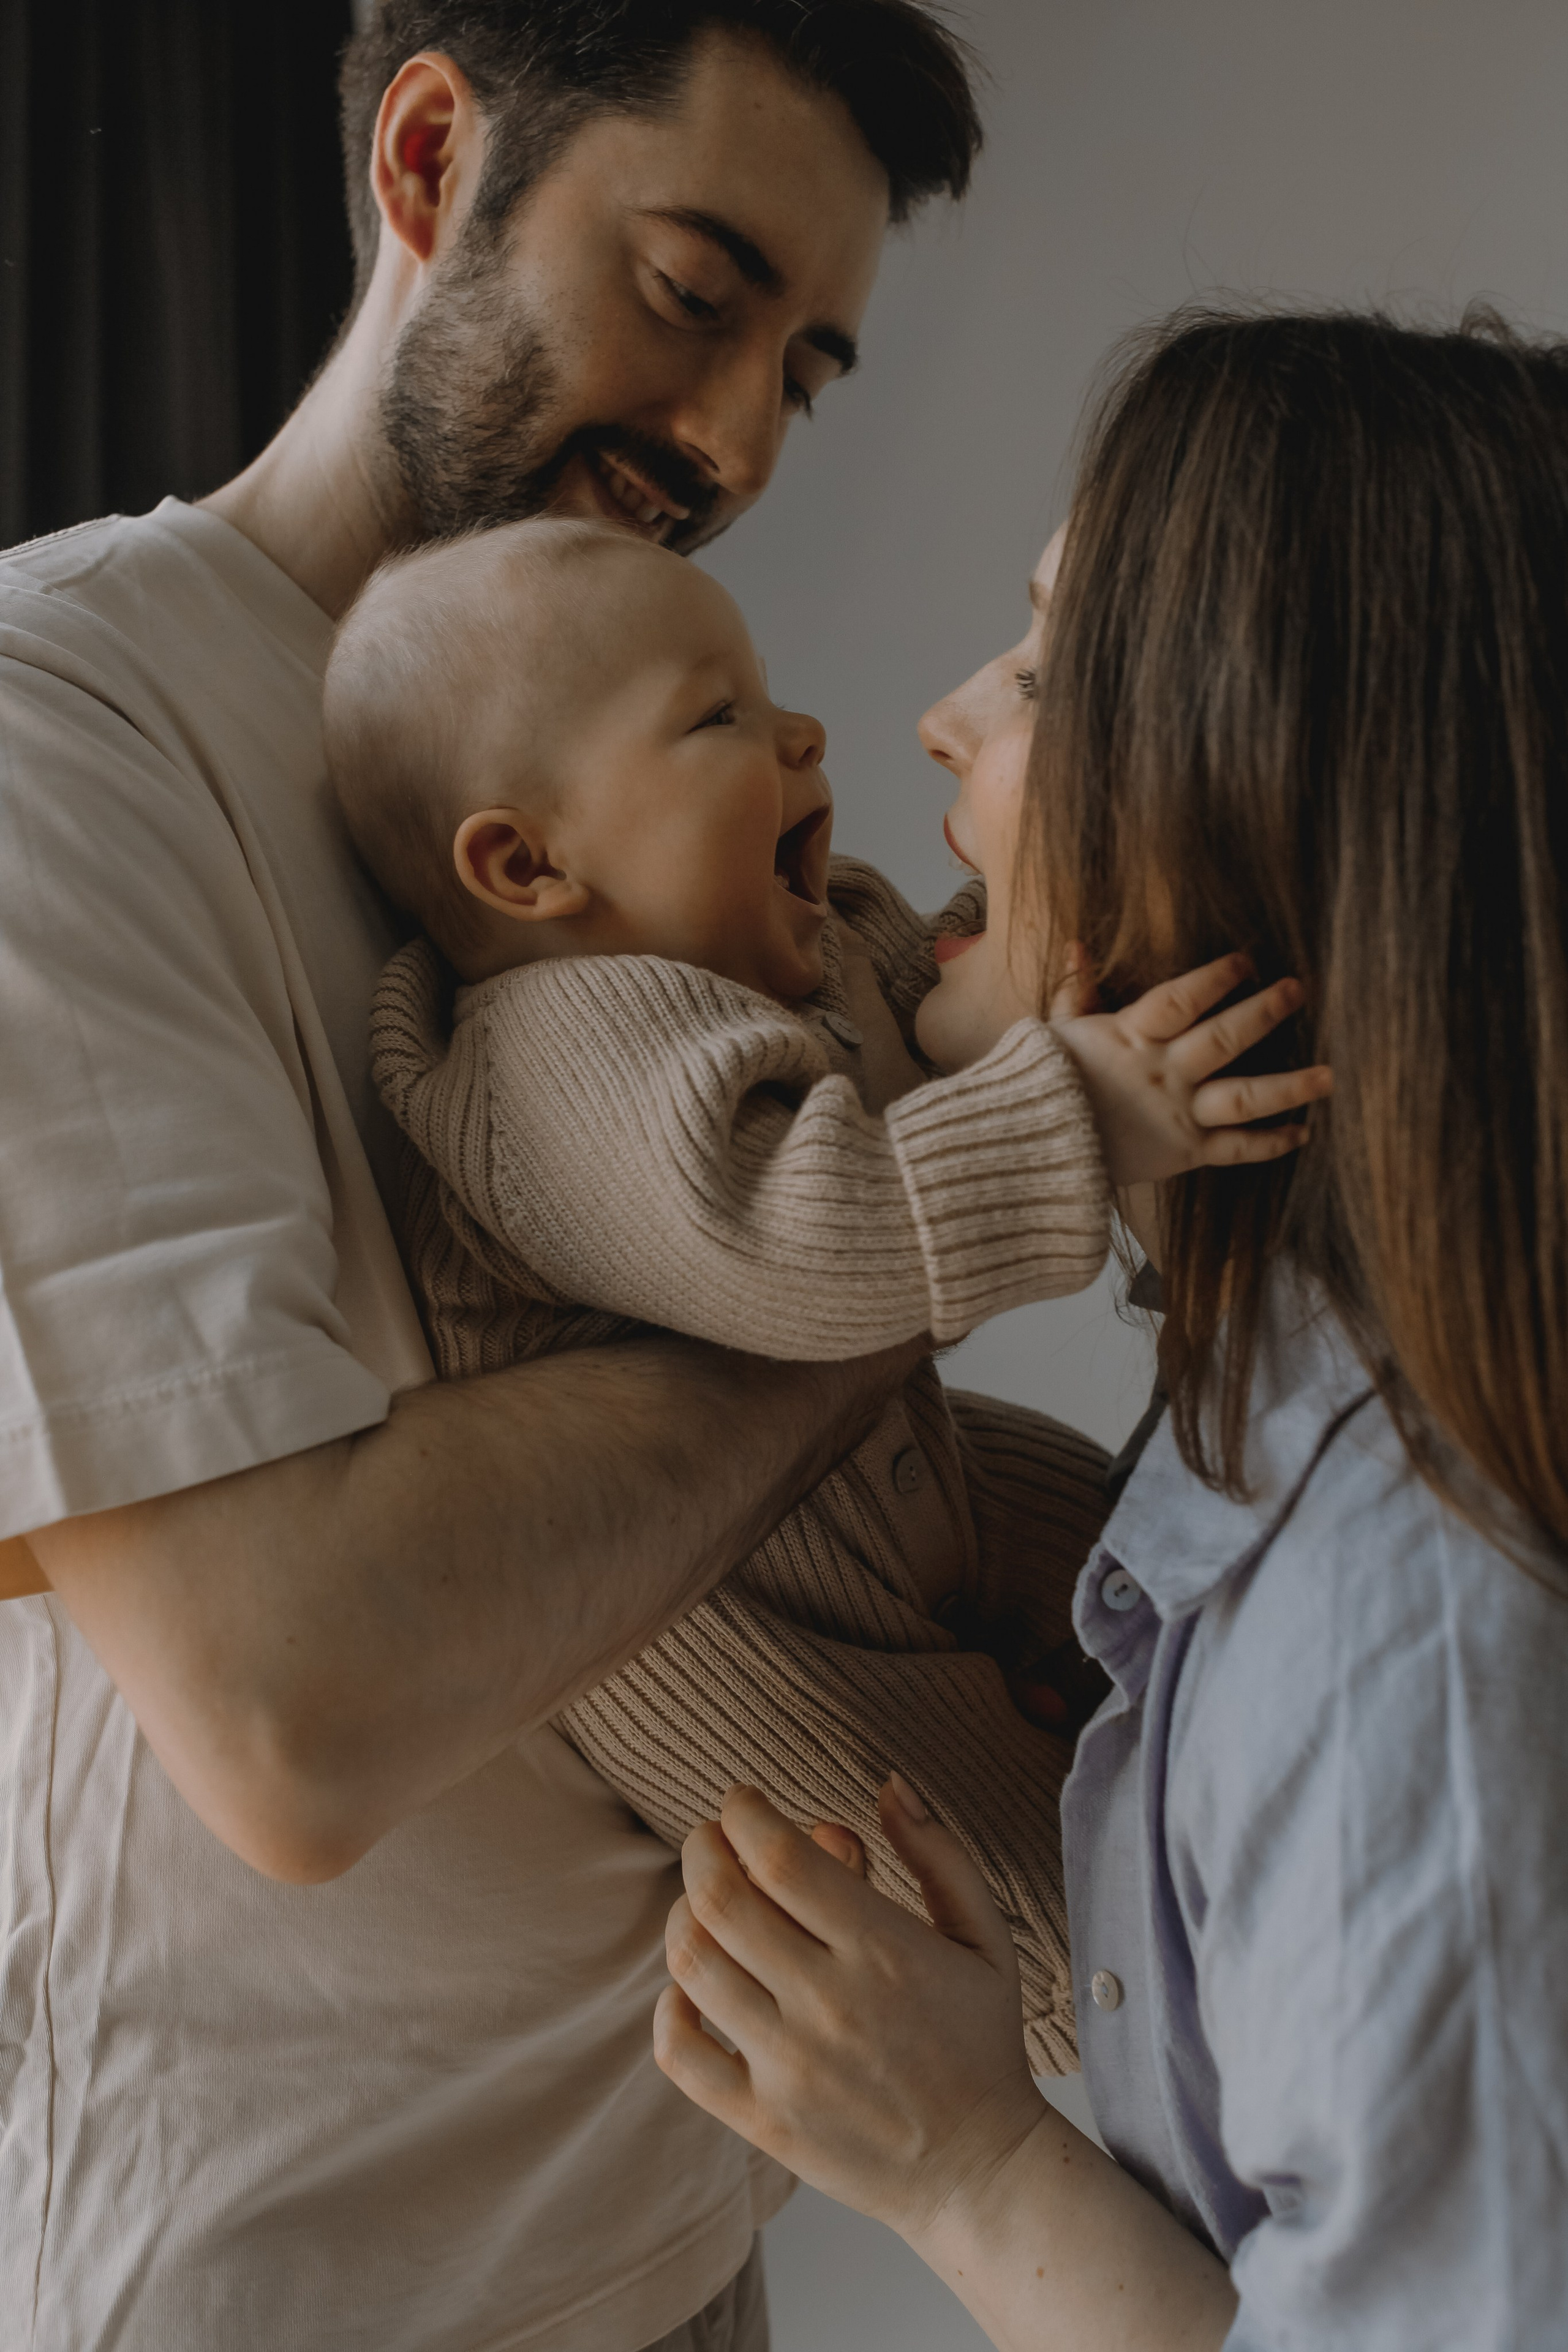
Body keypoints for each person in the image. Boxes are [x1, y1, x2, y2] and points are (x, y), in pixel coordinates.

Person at [0, 7, 992, 2347]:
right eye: (694, 290)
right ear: (432, 155)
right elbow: (297, 1705)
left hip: (675, 2258)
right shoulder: (66, 740)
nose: (740, 439)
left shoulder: (630, 742)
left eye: (809, 368)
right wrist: (900, 1234)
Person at [651, 309, 1568, 2350]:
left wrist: (968, 2165)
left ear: (1268, 797)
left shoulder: (1399, 1626)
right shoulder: (1288, 1498)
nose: (940, 722)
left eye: (1056, 668)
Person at [321, 516, 1326, 2071]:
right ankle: (1176, 2011)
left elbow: (920, 1002)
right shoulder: (555, 1052)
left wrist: (1004, 986)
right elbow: (796, 1241)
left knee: (1152, 1551)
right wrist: (1075, 1112)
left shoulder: (782, 940)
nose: (802, 732)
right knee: (961, 1866)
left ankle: (1263, 1735)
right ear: (529, 865)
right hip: (738, 1625)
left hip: (895, 1475)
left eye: (769, 692)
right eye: (718, 719)